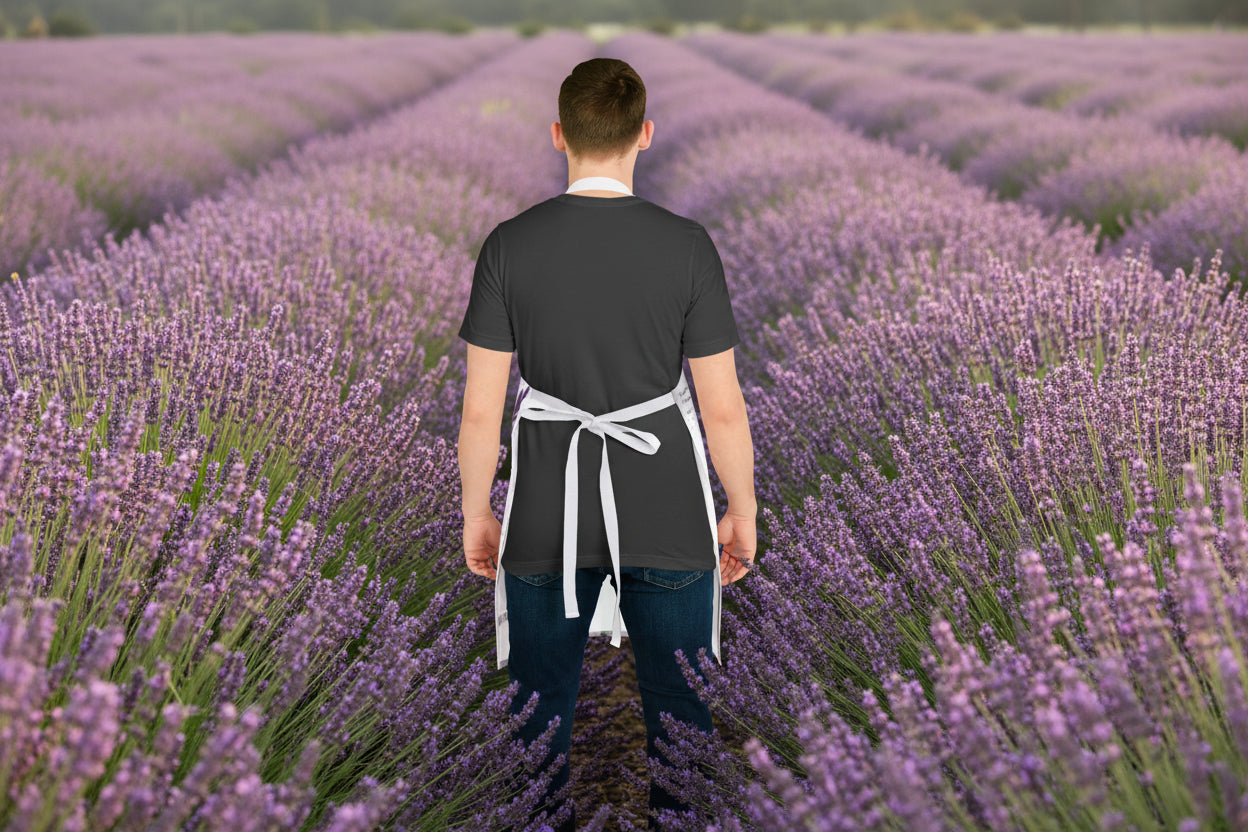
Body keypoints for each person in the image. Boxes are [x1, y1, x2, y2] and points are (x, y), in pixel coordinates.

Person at [456, 57, 756, 832]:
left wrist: (477, 512)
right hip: (664, 503)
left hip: (546, 510)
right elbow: (721, 409)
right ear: (645, 136)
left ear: (558, 135)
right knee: (681, 710)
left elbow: (481, 412)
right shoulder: (687, 245)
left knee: (536, 713)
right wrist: (741, 508)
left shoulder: (509, 245)